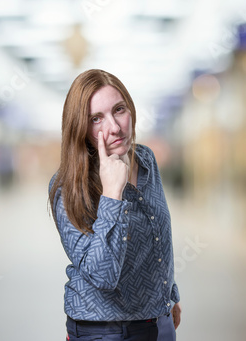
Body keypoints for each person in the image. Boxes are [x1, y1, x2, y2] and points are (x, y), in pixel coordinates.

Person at [48, 69, 181, 340]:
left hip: (157, 319)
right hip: (104, 328)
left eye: (119, 110)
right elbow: (102, 276)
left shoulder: (145, 160)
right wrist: (111, 194)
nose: (114, 127)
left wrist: (168, 294)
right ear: (81, 128)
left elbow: (156, 236)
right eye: (96, 118)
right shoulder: (67, 186)